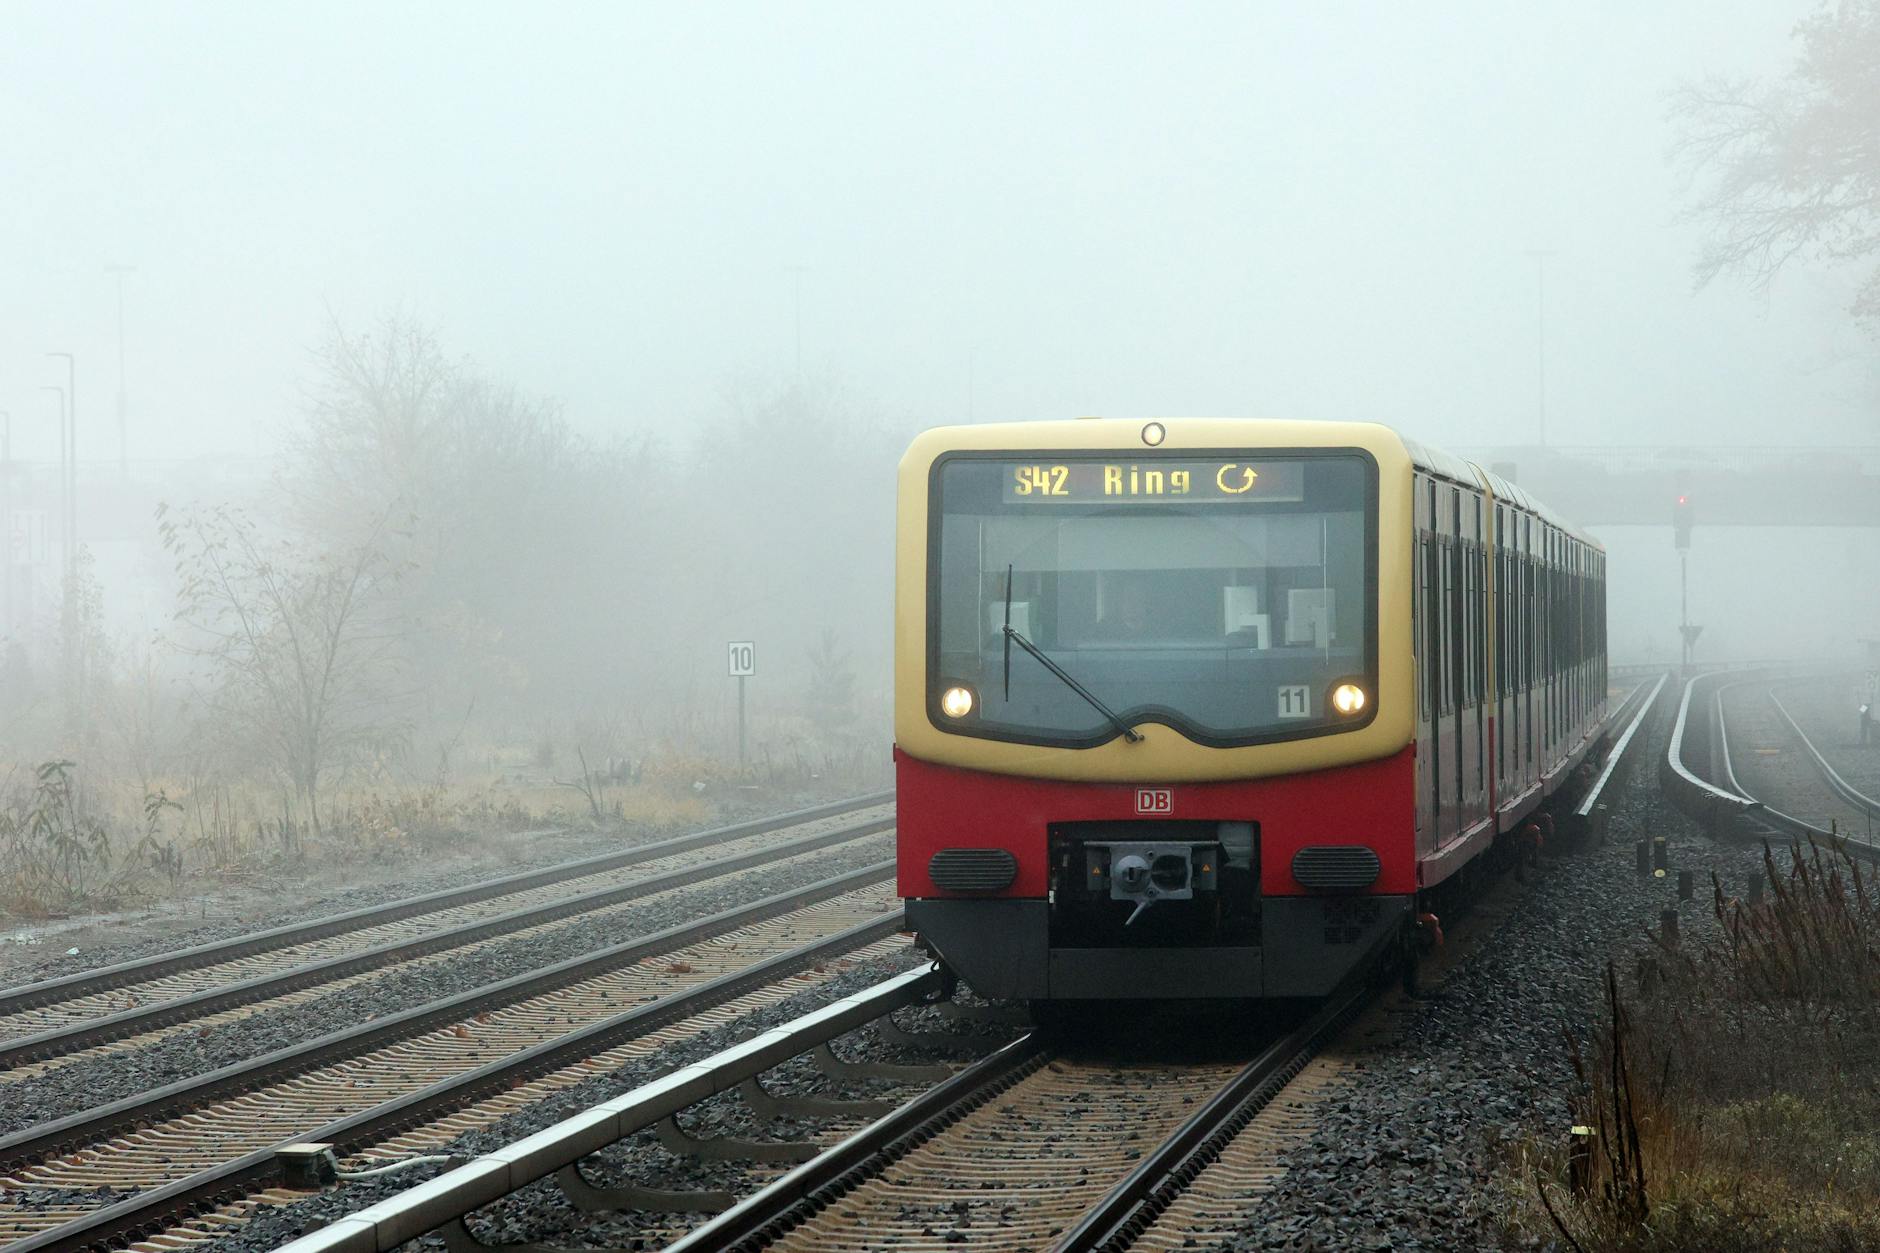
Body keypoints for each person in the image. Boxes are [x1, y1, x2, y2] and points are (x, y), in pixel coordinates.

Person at [1092, 575, 1154, 641]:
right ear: (1119, 601)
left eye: (1138, 599)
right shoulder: (1103, 630)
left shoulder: (1156, 631)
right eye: (1129, 598)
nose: (1133, 604)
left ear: (1147, 602)